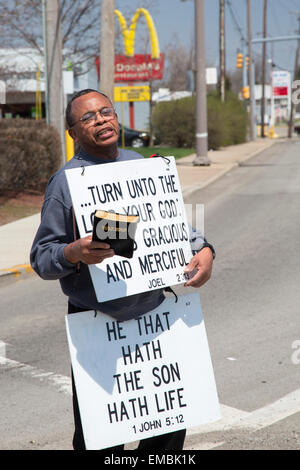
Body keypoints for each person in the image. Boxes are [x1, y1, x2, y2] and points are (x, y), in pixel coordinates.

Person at [30, 89, 215, 451]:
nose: (100, 120)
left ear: (116, 119)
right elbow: (41, 257)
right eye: (88, 117)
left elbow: (174, 227)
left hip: (157, 320)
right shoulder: (65, 184)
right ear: (73, 133)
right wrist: (74, 251)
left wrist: (205, 250)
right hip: (98, 325)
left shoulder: (143, 165)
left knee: (167, 436)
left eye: (105, 112)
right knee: (101, 441)